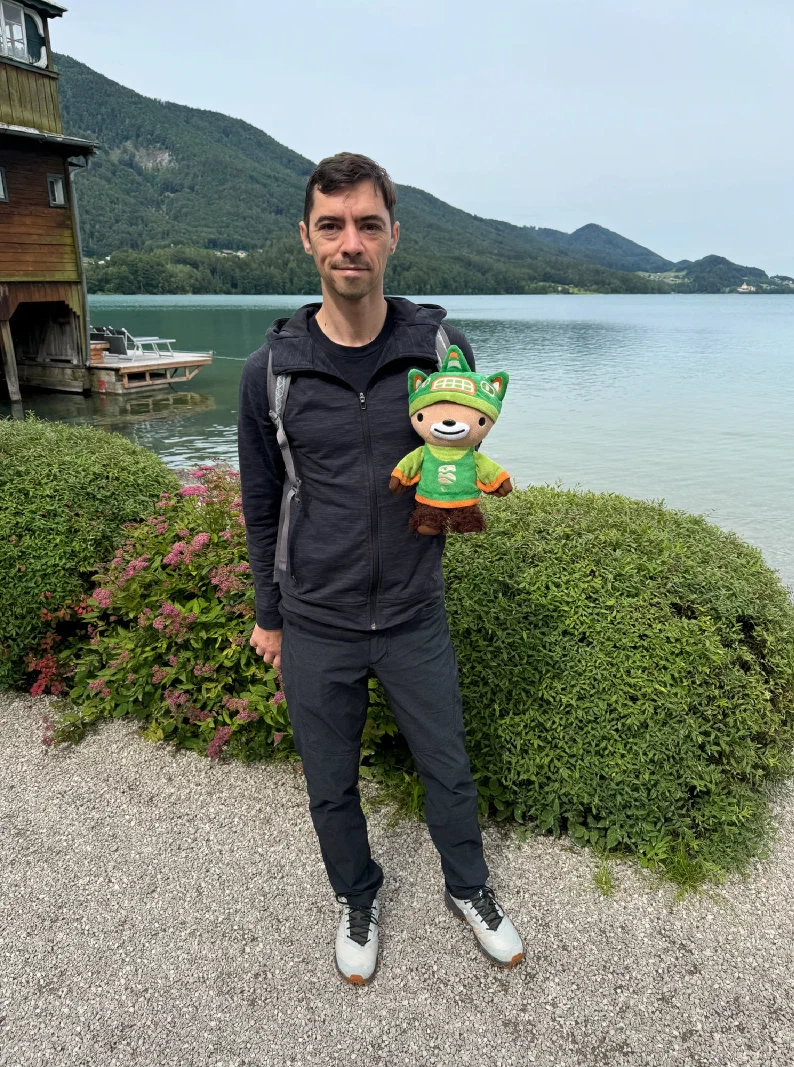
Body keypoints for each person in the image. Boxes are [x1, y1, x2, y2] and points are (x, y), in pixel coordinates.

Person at [238, 152, 524, 985]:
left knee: (447, 762)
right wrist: (269, 612)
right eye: (332, 225)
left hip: (412, 612)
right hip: (317, 618)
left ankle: (468, 887)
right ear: (306, 240)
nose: (349, 242)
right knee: (330, 782)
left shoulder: (439, 348)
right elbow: (261, 501)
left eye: (368, 224)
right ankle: (356, 894)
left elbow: (463, 448)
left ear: (394, 236)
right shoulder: (272, 372)